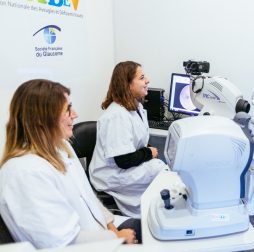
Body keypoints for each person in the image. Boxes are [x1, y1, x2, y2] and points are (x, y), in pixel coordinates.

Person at [0, 79, 141, 249]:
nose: (75, 114)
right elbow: (62, 242)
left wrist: (113, 230)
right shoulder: (25, 172)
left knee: (150, 228)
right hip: (87, 246)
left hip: (102, 235)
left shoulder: (62, 146)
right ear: (41, 119)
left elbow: (89, 198)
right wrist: (116, 238)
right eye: (67, 109)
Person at [89, 61, 167, 218]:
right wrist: (148, 152)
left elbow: (137, 141)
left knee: (162, 173)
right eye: (142, 77)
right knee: (160, 173)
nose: (148, 81)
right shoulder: (116, 116)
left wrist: (148, 151)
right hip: (112, 176)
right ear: (128, 84)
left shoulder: (136, 108)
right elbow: (123, 160)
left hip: (123, 168)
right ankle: (149, 220)